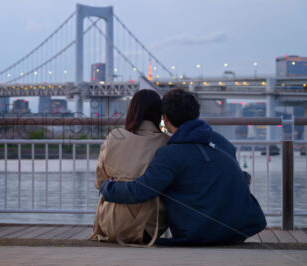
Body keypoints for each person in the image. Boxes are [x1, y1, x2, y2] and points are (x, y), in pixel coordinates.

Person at [100, 88, 266, 245]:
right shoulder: (222, 143)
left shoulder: (170, 153)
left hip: (200, 234)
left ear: (164, 118)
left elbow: (140, 191)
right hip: (240, 229)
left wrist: (107, 187)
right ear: (196, 113)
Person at [89, 89, 169, 245]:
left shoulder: (114, 137)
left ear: (132, 111)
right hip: (148, 229)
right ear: (159, 112)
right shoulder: (166, 142)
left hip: (110, 224)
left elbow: (100, 182)